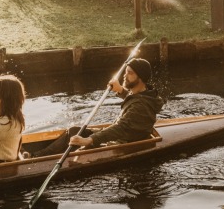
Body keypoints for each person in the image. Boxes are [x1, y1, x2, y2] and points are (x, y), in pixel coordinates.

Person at [33, 57, 162, 157]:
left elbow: (120, 127)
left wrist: (89, 140)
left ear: (141, 78)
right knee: (74, 131)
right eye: (125, 72)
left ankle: (37, 160)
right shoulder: (144, 95)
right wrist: (121, 90)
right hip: (122, 135)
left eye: (130, 73)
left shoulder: (140, 106)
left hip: (122, 143)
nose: (124, 75)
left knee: (81, 144)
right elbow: (135, 101)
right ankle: (38, 156)